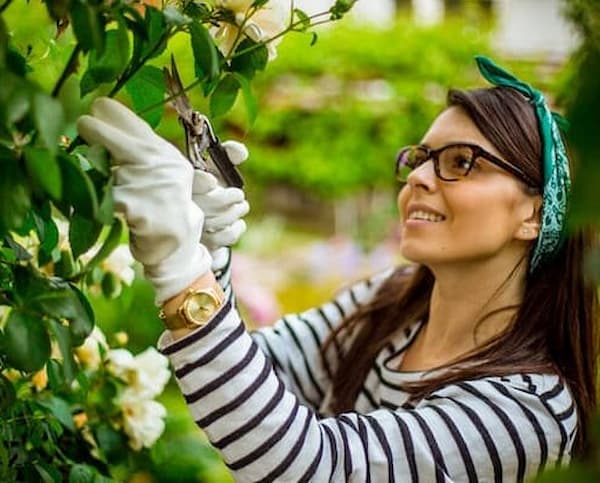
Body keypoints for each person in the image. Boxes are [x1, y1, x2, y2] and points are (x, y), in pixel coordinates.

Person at [76, 56, 597, 482]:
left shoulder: (527, 413)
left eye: (461, 162)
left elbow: (315, 467)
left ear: (534, 212)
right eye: (420, 156)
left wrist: (180, 271)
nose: (416, 177)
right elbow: (260, 368)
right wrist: (209, 254)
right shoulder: (394, 302)